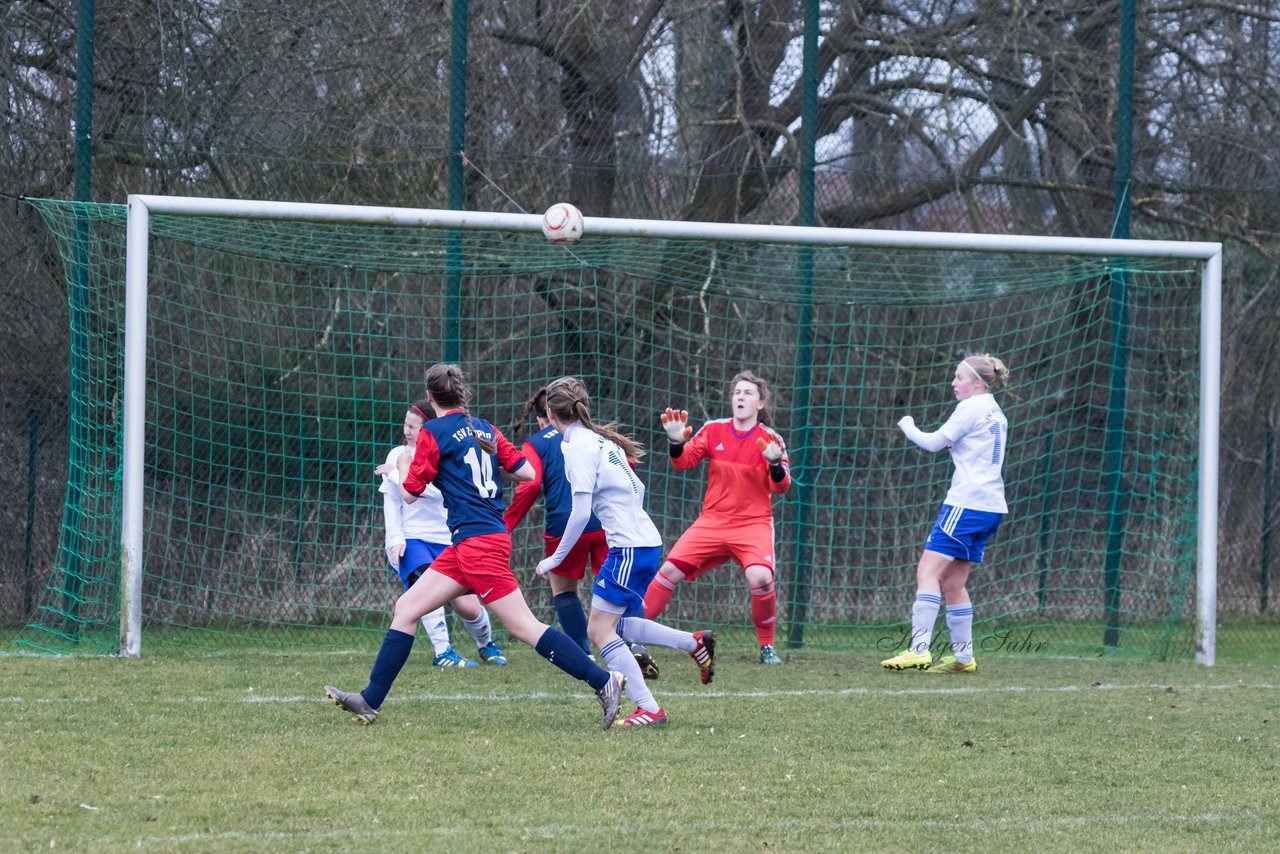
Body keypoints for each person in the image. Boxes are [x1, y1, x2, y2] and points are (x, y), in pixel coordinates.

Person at [325, 364, 627, 729]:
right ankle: (370, 700)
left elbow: (408, 494)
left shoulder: (432, 432)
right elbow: (527, 473)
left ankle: (603, 681)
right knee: (406, 608)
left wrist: (402, 465)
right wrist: (481, 468)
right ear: (460, 393)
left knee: (525, 627)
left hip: (478, 545)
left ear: (432, 397)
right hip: (471, 541)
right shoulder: (485, 428)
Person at [535, 376, 716, 727]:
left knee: (599, 631)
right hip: (645, 541)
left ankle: (649, 708)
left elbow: (581, 512)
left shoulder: (575, 447)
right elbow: (639, 487)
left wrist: (555, 559)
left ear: (549, 413)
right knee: (616, 626)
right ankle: (694, 643)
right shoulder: (603, 442)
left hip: (629, 547)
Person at [505, 387, 661, 679]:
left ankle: (584, 652)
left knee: (564, 591)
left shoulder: (538, 443)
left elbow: (530, 484)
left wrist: (507, 524)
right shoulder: (600, 440)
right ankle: (637, 646)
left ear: (546, 416)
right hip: (606, 527)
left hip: (566, 523)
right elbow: (629, 476)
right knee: (620, 590)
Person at [644, 370, 791, 665]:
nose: (741, 397)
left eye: (748, 393)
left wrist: (775, 463)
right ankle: (631, 632)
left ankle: (767, 646)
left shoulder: (771, 439)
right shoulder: (713, 430)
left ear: (760, 403)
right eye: (737, 392)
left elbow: (782, 486)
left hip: (753, 524)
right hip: (712, 521)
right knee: (669, 570)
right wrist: (675, 442)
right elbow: (683, 462)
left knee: (760, 577)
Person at [880, 353, 1009, 674]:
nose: (954, 383)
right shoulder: (995, 411)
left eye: (959, 377)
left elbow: (934, 442)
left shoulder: (970, 407)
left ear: (978, 382)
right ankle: (964, 658)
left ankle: (918, 650)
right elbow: (969, 446)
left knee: (927, 572)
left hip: (966, 503)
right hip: (991, 507)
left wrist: (907, 425)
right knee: (954, 582)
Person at [378, 399, 508, 668]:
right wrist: (395, 539)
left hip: (448, 538)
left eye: (414, 426)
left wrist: (396, 475)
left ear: (429, 429)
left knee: (468, 607)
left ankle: (486, 645)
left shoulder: (441, 451)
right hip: (413, 539)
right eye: (406, 424)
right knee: (423, 588)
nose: (407, 431)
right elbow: (393, 501)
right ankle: (443, 652)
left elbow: (435, 492)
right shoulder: (396, 455)